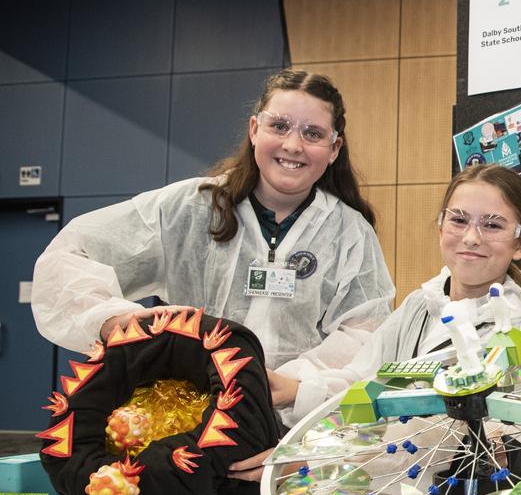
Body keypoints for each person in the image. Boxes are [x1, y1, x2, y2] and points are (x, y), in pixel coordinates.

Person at [31, 70, 395, 425]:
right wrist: (112, 319)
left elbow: (365, 335)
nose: (293, 145)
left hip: (294, 428)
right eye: (279, 126)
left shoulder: (349, 232)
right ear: (255, 130)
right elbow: (70, 255)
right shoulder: (187, 208)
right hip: (186, 419)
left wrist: (295, 385)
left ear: (334, 148)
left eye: (312, 133)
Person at [228, 164, 521, 482]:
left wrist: (319, 461)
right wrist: (294, 390)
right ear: (441, 226)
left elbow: (438, 437)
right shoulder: (420, 304)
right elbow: (367, 381)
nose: (471, 238)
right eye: (458, 220)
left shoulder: (517, 330)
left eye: (493, 225)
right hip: (383, 490)